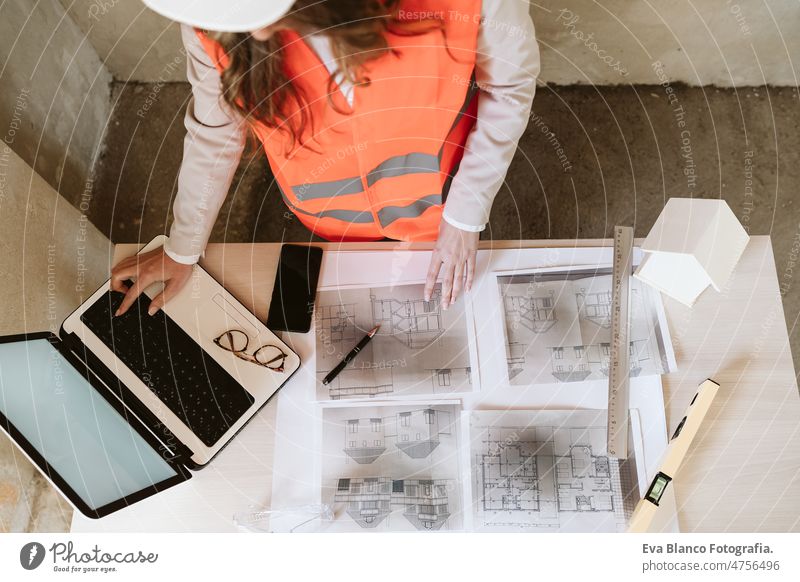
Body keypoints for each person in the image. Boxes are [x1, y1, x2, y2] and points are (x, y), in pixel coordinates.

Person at [112, 0, 539, 316]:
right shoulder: (211, 21)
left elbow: (508, 88)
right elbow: (217, 130)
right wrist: (183, 247)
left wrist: (465, 214)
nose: (255, 33)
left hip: (438, 201)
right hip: (326, 217)